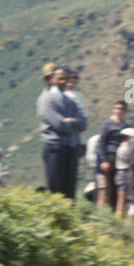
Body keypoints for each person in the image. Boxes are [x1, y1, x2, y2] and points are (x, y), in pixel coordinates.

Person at [36, 65, 85, 198]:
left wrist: (71, 121)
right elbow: (59, 124)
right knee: (56, 190)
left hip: (71, 147)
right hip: (55, 147)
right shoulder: (46, 99)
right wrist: (73, 122)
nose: (63, 81)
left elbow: (83, 124)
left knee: (69, 191)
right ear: (52, 79)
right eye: (60, 78)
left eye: (65, 78)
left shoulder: (71, 100)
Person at [94, 99, 128, 210]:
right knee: (107, 188)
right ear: (113, 110)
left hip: (122, 159)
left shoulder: (127, 126)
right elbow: (101, 142)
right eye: (117, 108)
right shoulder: (107, 124)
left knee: (118, 188)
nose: (119, 111)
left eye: (122, 109)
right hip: (110, 157)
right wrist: (103, 160)